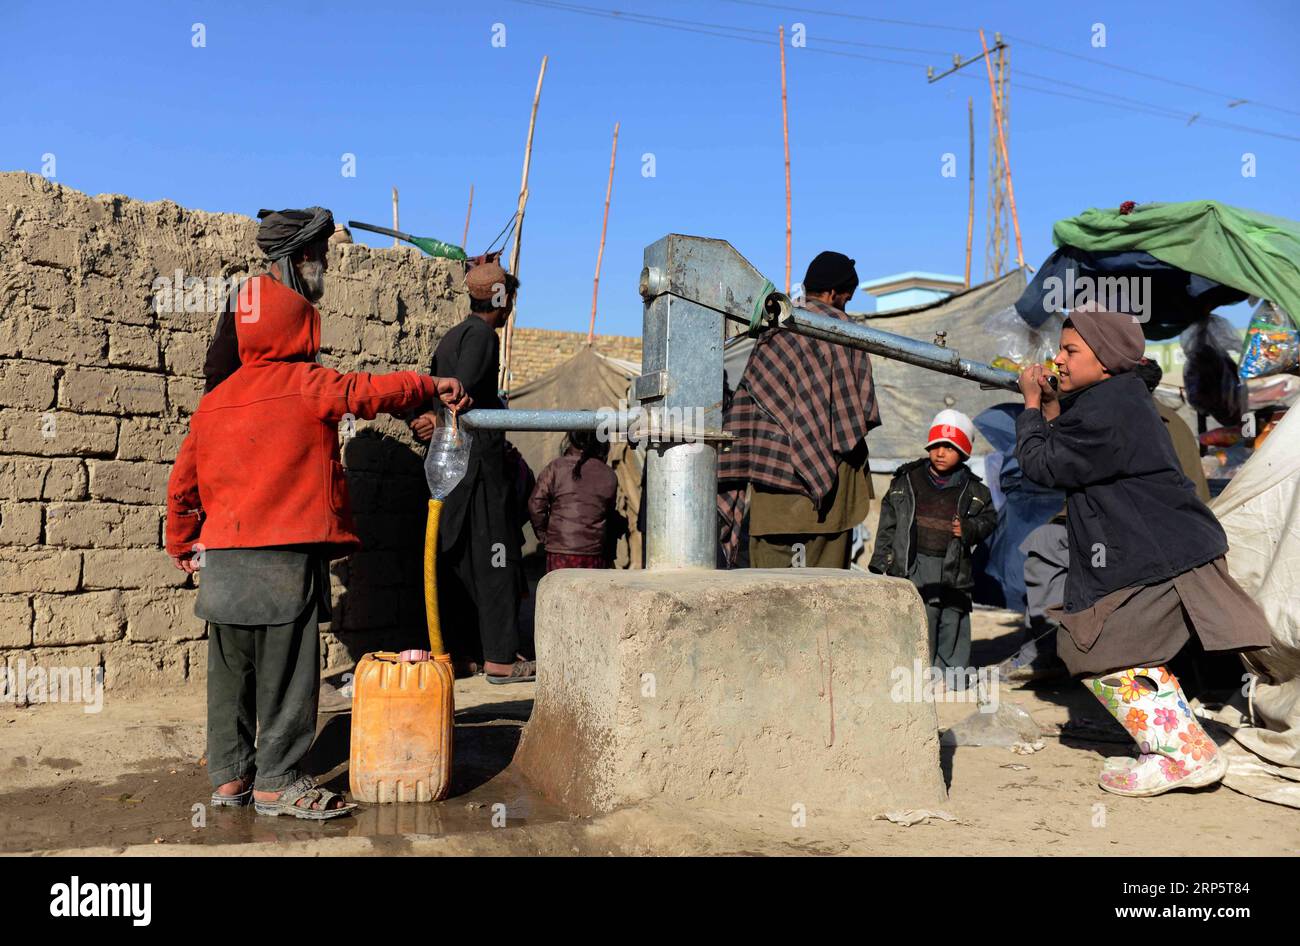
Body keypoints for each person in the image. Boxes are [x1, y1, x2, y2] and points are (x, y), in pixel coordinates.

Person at [166, 206, 470, 819]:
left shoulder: (214, 404)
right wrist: (427, 386)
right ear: (297, 325)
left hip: (222, 563)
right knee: (288, 679)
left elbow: (181, 490)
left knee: (231, 677)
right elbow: (367, 391)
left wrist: (184, 548)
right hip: (284, 561)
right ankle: (278, 780)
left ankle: (228, 780)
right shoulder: (307, 384)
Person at [1014, 305, 1271, 797]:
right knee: (1119, 648)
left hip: (1158, 552)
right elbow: (1067, 455)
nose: (1059, 360)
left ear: (1105, 359)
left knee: (1094, 646)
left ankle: (1183, 754)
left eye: (1071, 351)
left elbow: (1044, 465)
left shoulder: (1107, 408)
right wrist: (1049, 409)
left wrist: (1029, 406)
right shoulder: (1114, 399)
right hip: (1162, 547)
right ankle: (1172, 746)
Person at [409, 261, 533, 684]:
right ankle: (500, 659)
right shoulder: (482, 337)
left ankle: (460, 654)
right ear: (501, 299)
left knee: (457, 559)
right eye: (509, 299)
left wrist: (432, 417)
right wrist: (448, 413)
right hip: (477, 467)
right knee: (497, 561)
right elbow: (459, 391)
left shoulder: (453, 335)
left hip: (452, 465)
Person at [718, 251, 881, 568]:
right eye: (846, 299)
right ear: (834, 293)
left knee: (772, 598)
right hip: (832, 502)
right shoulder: (849, 332)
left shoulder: (775, 333)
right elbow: (856, 414)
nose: (843, 309)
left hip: (774, 496)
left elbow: (748, 409)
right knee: (825, 599)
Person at [869, 410, 997, 682]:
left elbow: (989, 521)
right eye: (936, 445)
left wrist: (970, 528)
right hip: (914, 563)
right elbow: (888, 524)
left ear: (963, 453)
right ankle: (918, 673)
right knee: (921, 615)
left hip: (954, 566)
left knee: (953, 617)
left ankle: (952, 675)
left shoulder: (975, 491)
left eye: (950, 447)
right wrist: (881, 561)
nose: (941, 452)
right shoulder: (906, 481)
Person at [529, 430, 619, 572]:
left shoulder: (556, 467)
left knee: (559, 593)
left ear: (571, 438)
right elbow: (609, 514)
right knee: (589, 593)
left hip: (561, 551)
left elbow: (536, 504)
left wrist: (545, 535)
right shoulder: (609, 474)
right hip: (594, 552)